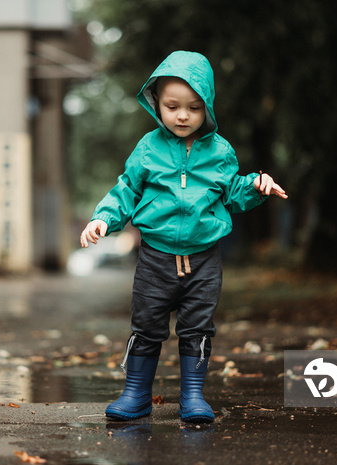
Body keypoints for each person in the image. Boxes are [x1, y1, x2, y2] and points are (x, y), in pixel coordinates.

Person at [80, 51, 287, 423]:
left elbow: (232, 193)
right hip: (155, 259)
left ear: (206, 107)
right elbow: (125, 190)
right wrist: (102, 219)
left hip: (204, 261)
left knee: (197, 328)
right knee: (146, 327)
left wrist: (256, 186)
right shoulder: (148, 148)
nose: (182, 116)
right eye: (173, 106)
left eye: (194, 107)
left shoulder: (220, 151)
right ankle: (136, 394)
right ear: (156, 103)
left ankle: (192, 396)